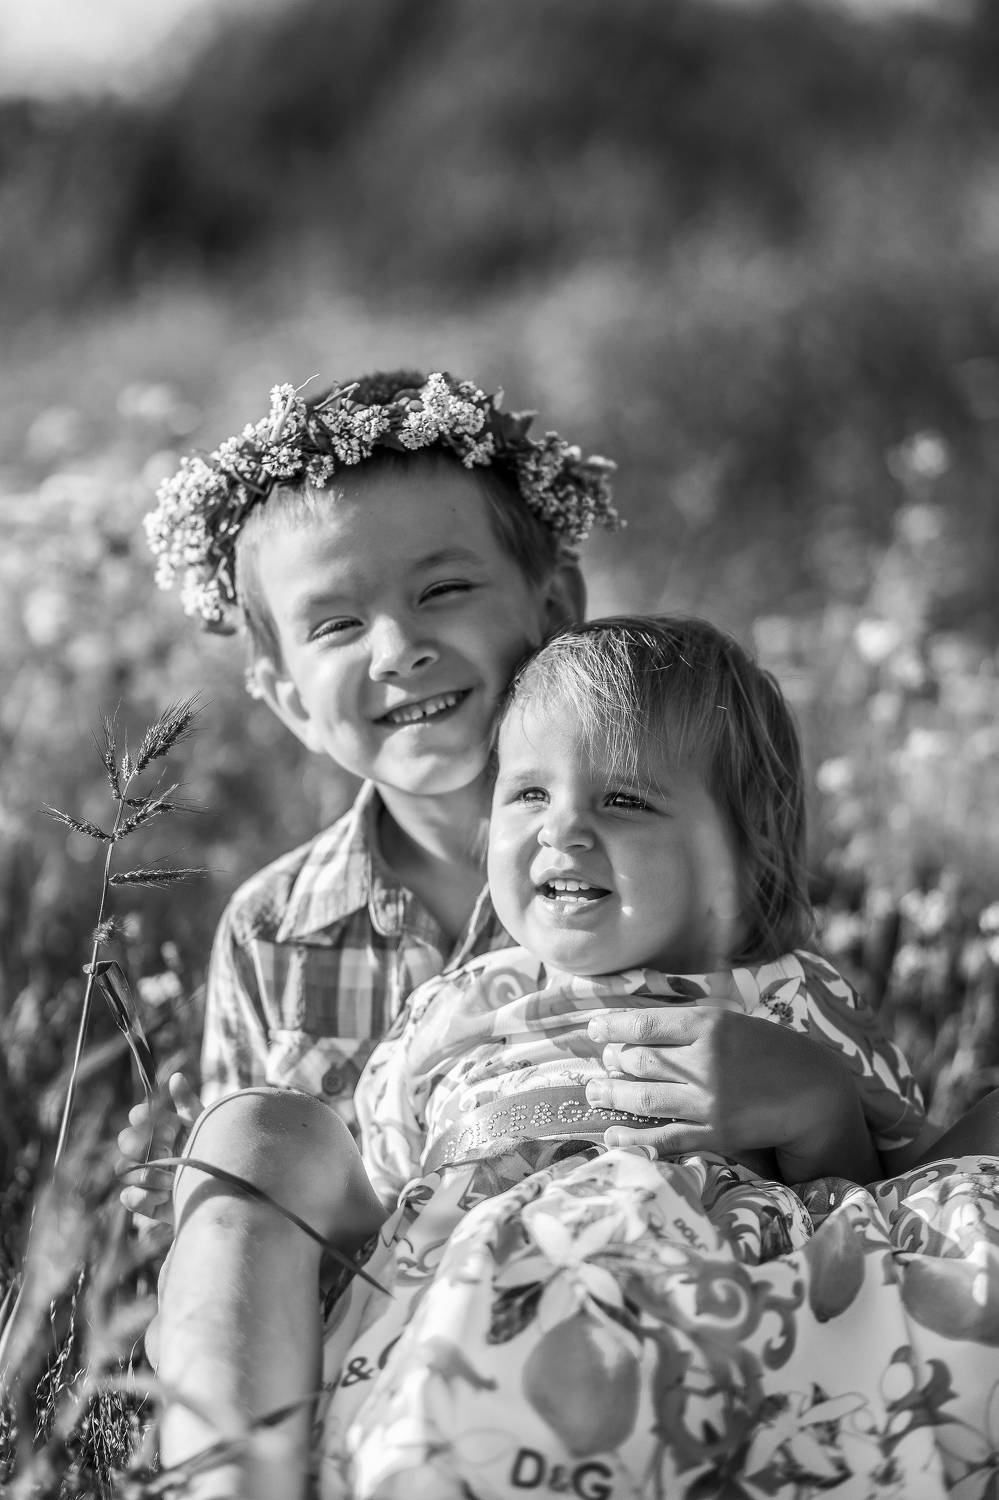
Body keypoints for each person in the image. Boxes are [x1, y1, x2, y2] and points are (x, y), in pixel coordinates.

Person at [158, 618, 999, 1500]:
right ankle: (231, 1479)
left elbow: (887, 1208)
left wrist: (818, 1109)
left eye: (624, 800)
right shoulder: (454, 1007)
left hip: (733, 1326)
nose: (561, 829)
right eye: (526, 793)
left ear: (741, 853)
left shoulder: (792, 994)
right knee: (253, 1130)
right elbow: (382, 1199)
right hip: (475, 1300)